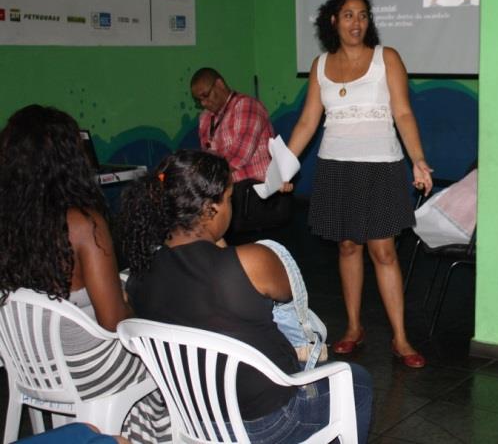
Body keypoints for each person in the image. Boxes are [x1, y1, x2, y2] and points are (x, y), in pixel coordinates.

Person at [119, 149, 373, 443]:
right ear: (210, 209)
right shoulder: (250, 261)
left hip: (196, 419)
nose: (232, 208)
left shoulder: (138, 276)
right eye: (228, 199)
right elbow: (287, 292)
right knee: (358, 382)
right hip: (271, 420)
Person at [0, 105, 169, 443]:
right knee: (166, 351)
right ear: (68, 161)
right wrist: (135, 310)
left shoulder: (9, 221)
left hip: (29, 364)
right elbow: (112, 321)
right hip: (86, 369)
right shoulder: (82, 223)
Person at [285, 0, 433, 368]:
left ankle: (400, 338)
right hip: (336, 166)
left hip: (381, 165)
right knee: (348, 247)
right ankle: (353, 328)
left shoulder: (387, 59)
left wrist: (418, 160)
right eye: (348, 15)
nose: (357, 23)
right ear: (333, 20)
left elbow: (403, 113)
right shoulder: (320, 66)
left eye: (363, 15)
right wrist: (284, 166)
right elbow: (307, 122)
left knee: (383, 251)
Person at [190, 68, 290, 237]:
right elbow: (208, 158)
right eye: (199, 100)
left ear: (220, 84)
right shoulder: (206, 118)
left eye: (206, 95)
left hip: (256, 196)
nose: (203, 104)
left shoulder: (247, 106)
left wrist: (204, 180)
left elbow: (238, 158)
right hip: (227, 193)